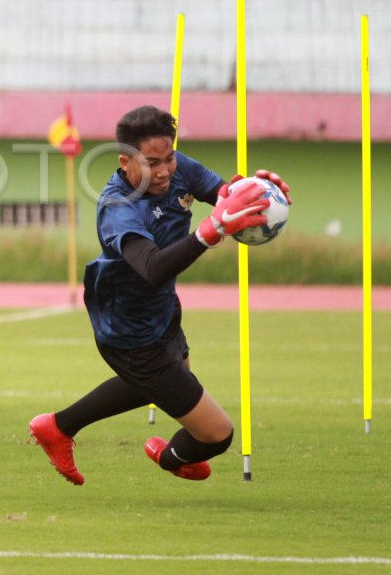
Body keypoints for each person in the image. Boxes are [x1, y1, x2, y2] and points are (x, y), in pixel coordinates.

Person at [29, 105, 291, 484]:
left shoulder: (175, 166)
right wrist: (210, 231)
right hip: (129, 329)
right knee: (217, 434)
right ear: (126, 161)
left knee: (163, 382)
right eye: (153, 163)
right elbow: (152, 269)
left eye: (169, 157)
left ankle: (57, 427)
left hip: (162, 311)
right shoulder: (118, 207)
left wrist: (255, 193)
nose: (166, 169)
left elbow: (222, 195)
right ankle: (171, 458)